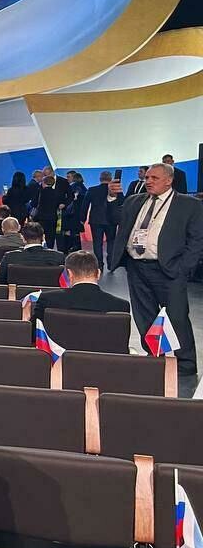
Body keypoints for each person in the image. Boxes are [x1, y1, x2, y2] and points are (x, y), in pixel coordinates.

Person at [111, 163, 203, 385]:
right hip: (137, 267)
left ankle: (185, 365)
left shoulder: (189, 204)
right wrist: (113, 198)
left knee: (177, 317)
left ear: (169, 180)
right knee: (144, 316)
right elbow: (117, 221)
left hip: (169, 270)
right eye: (147, 177)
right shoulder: (134, 201)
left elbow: (196, 239)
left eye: (154, 178)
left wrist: (183, 268)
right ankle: (154, 357)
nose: (148, 181)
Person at [31, 251, 129, 325]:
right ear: (98, 273)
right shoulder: (121, 306)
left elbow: (34, 335)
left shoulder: (47, 300)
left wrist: (26, 320)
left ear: (69, 274)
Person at [0, 221, 66, 284]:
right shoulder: (59, 257)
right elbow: (65, 283)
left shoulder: (9, 257)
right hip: (49, 293)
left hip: (18, 293)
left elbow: (2, 282)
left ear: (23, 238)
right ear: (43, 237)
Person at [82, 171, 124, 270]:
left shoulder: (92, 190)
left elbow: (85, 205)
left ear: (100, 178)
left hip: (96, 220)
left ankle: (99, 264)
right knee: (111, 242)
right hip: (111, 220)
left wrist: (82, 218)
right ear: (110, 178)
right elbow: (122, 202)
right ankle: (111, 263)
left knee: (97, 243)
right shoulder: (115, 189)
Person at [30, 176, 62, 249]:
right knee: (51, 236)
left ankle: (40, 249)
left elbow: (33, 204)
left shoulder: (40, 192)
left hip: (41, 217)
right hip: (52, 217)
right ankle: (50, 249)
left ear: (44, 183)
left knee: (39, 234)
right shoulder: (57, 193)